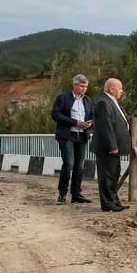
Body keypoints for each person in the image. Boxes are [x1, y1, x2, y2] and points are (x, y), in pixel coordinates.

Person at [50, 74, 95, 204]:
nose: (84, 89)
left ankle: (76, 194)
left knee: (79, 166)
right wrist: (74, 122)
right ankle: (62, 193)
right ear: (74, 85)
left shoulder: (88, 100)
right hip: (67, 135)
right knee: (69, 163)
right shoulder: (62, 98)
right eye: (81, 86)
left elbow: (93, 115)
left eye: (86, 86)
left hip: (82, 136)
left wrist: (90, 123)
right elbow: (55, 114)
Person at [90, 78, 130, 212]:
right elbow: (105, 126)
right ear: (112, 89)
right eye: (120, 88)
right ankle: (107, 203)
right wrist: (112, 146)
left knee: (113, 175)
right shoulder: (103, 103)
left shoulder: (111, 102)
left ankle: (114, 201)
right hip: (107, 148)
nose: (122, 91)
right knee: (107, 176)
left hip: (114, 148)